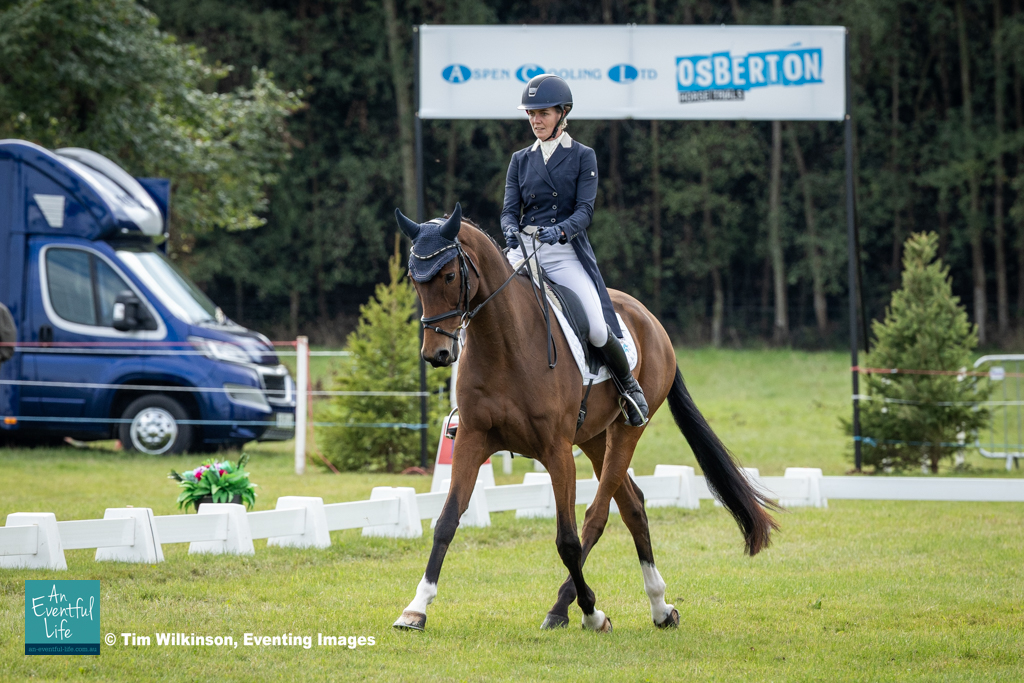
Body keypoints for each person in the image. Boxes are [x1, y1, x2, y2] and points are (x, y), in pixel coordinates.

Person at [500, 74, 648, 427]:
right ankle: (469, 401)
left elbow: (585, 211)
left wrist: (560, 230)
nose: (536, 120)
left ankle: (628, 387)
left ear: (562, 113)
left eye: (543, 113)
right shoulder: (520, 159)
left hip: (563, 252)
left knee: (596, 327)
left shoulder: (583, 156)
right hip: (524, 249)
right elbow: (509, 210)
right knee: (485, 304)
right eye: (531, 113)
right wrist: (508, 228)